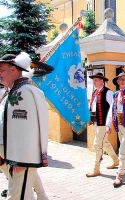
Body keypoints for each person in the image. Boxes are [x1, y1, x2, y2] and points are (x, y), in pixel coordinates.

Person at [0, 52, 49, 199]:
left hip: (19, 157)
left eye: (1, 69)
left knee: (17, 196)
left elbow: (28, 129)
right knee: (22, 194)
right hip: (11, 154)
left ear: (13, 69)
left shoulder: (25, 92)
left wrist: (21, 158)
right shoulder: (13, 91)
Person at [86, 72, 119, 177]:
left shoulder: (107, 92)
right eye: (94, 80)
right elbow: (93, 106)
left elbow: (113, 107)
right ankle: (116, 160)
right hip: (97, 121)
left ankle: (96, 168)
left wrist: (109, 123)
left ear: (102, 81)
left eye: (96, 80)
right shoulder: (95, 92)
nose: (94, 82)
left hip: (104, 123)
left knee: (97, 144)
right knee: (104, 143)